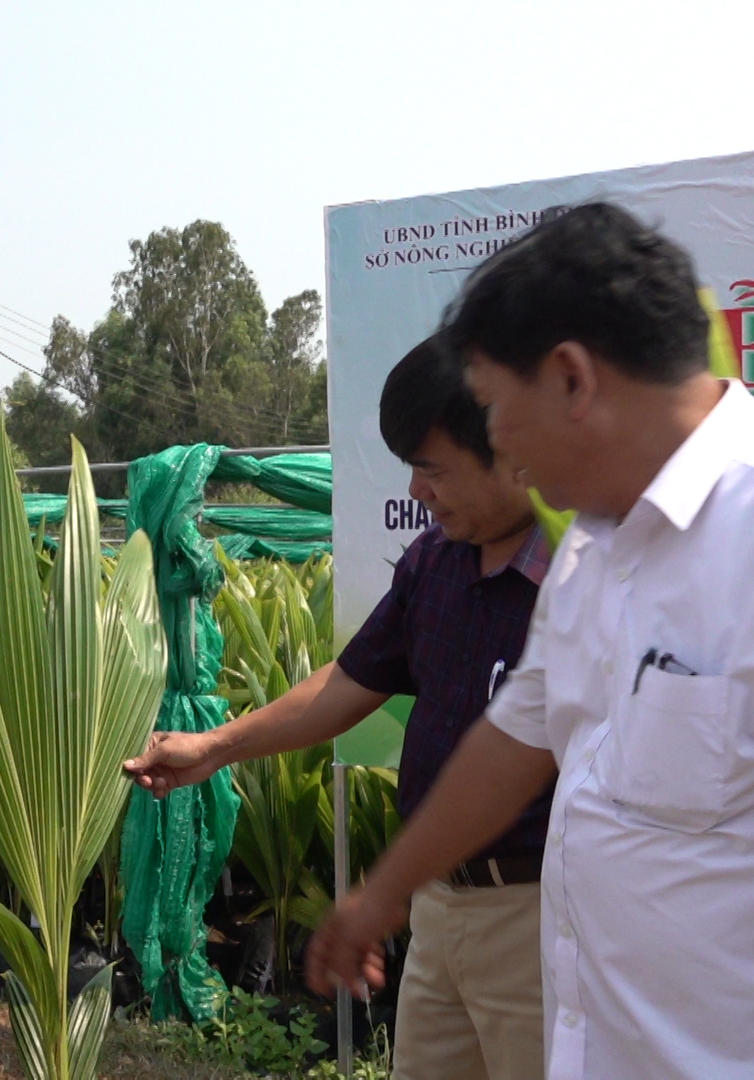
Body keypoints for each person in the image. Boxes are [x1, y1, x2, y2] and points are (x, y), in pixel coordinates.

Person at [306, 202, 754, 1080]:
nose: (497, 442)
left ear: (573, 379)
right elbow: (515, 738)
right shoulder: (595, 548)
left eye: (495, 407)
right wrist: (381, 895)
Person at [125, 333, 551, 1080]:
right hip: (437, 907)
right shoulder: (435, 562)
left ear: (512, 449)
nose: (418, 492)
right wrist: (216, 746)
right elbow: (352, 681)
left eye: (433, 468)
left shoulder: (585, 580)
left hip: (538, 912)